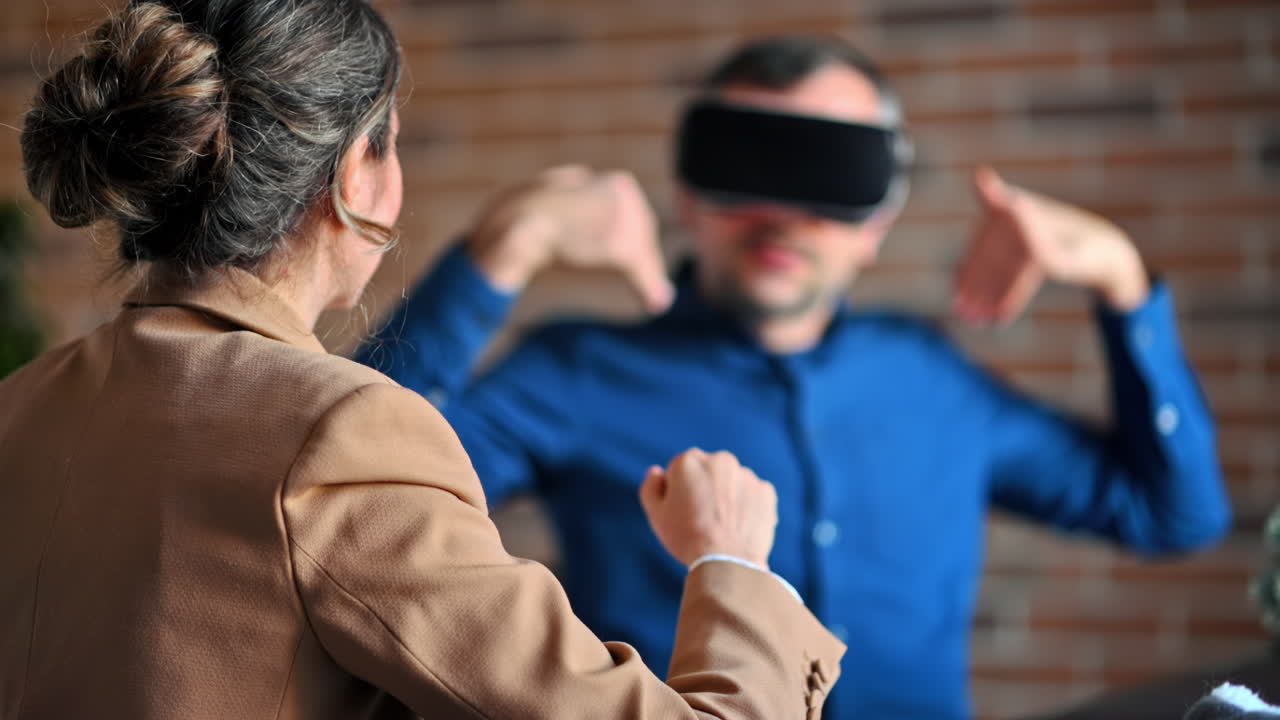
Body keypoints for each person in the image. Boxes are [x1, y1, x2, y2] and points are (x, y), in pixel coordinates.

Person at [0, 4, 847, 719]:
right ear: (351, 180)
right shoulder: (340, 431)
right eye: (390, 144)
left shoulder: (21, 403)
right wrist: (731, 564)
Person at [359, 35, 1233, 719]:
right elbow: (354, 494)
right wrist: (499, 253)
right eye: (748, 172)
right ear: (690, 197)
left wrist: (1124, 280)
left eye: (822, 180)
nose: (780, 216)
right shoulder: (574, 370)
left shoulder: (933, 382)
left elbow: (1174, 515)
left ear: (877, 223)